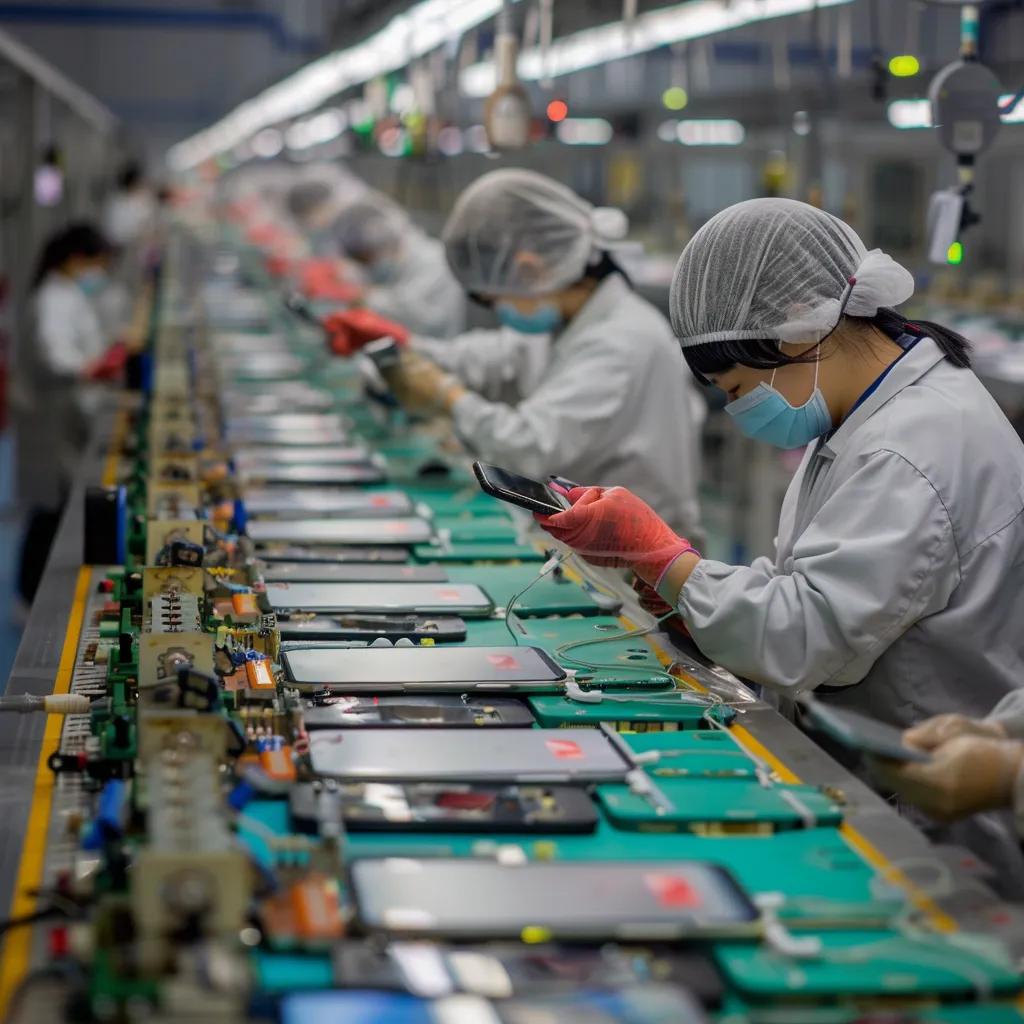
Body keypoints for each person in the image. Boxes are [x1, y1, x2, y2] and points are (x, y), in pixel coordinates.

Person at [536, 197, 1024, 729]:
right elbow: (815, 580)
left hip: (921, 781)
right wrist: (693, 598)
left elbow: (805, 638)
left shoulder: (911, 449)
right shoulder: (865, 412)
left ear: (799, 328)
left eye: (739, 388)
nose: (740, 410)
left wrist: (661, 557)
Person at [327, 169, 705, 538]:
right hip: (591, 540)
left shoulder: (621, 342)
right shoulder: (567, 323)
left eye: (497, 299)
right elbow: (488, 358)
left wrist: (449, 399)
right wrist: (403, 345)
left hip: (640, 566)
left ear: (531, 270)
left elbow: (529, 448)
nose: (499, 311)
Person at [12, 223, 124, 602]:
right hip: (49, 415)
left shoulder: (68, 293)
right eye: (97, 263)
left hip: (65, 412)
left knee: (55, 503)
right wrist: (94, 368)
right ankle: (28, 595)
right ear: (77, 259)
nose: (100, 273)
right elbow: (54, 356)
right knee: (48, 506)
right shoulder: (51, 300)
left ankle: (32, 589)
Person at [330, 191, 465, 338]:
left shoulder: (434, 262)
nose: (367, 268)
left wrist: (366, 297)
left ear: (382, 244)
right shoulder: (396, 268)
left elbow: (423, 319)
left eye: (367, 259)